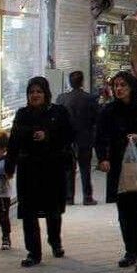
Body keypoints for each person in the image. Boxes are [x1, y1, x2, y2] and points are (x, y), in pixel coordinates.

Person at [9, 76, 75, 267]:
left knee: (53, 210)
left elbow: (69, 135)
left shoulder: (58, 112)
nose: (35, 95)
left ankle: (55, 241)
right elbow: (14, 140)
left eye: (39, 91)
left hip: (52, 168)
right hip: (28, 170)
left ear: (46, 93)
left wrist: (48, 135)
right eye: (31, 92)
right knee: (28, 212)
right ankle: (33, 252)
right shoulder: (23, 114)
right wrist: (9, 166)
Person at [95, 71, 137, 273]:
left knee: (136, 210)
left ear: (131, 87)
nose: (119, 89)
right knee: (123, 211)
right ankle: (129, 251)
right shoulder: (108, 111)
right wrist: (103, 158)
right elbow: (100, 137)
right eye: (116, 85)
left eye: (123, 85)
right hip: (117, 165)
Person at [55, 70, 99, 205]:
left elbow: (57, 119)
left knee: (69, 169)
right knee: (85, 168)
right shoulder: (90, 98)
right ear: (82, 82)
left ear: (70, 82)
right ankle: (87, 197)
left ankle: (69, 197)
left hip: (67, 139)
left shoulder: (61, 99)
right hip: (84, 137)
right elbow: (96, 118)